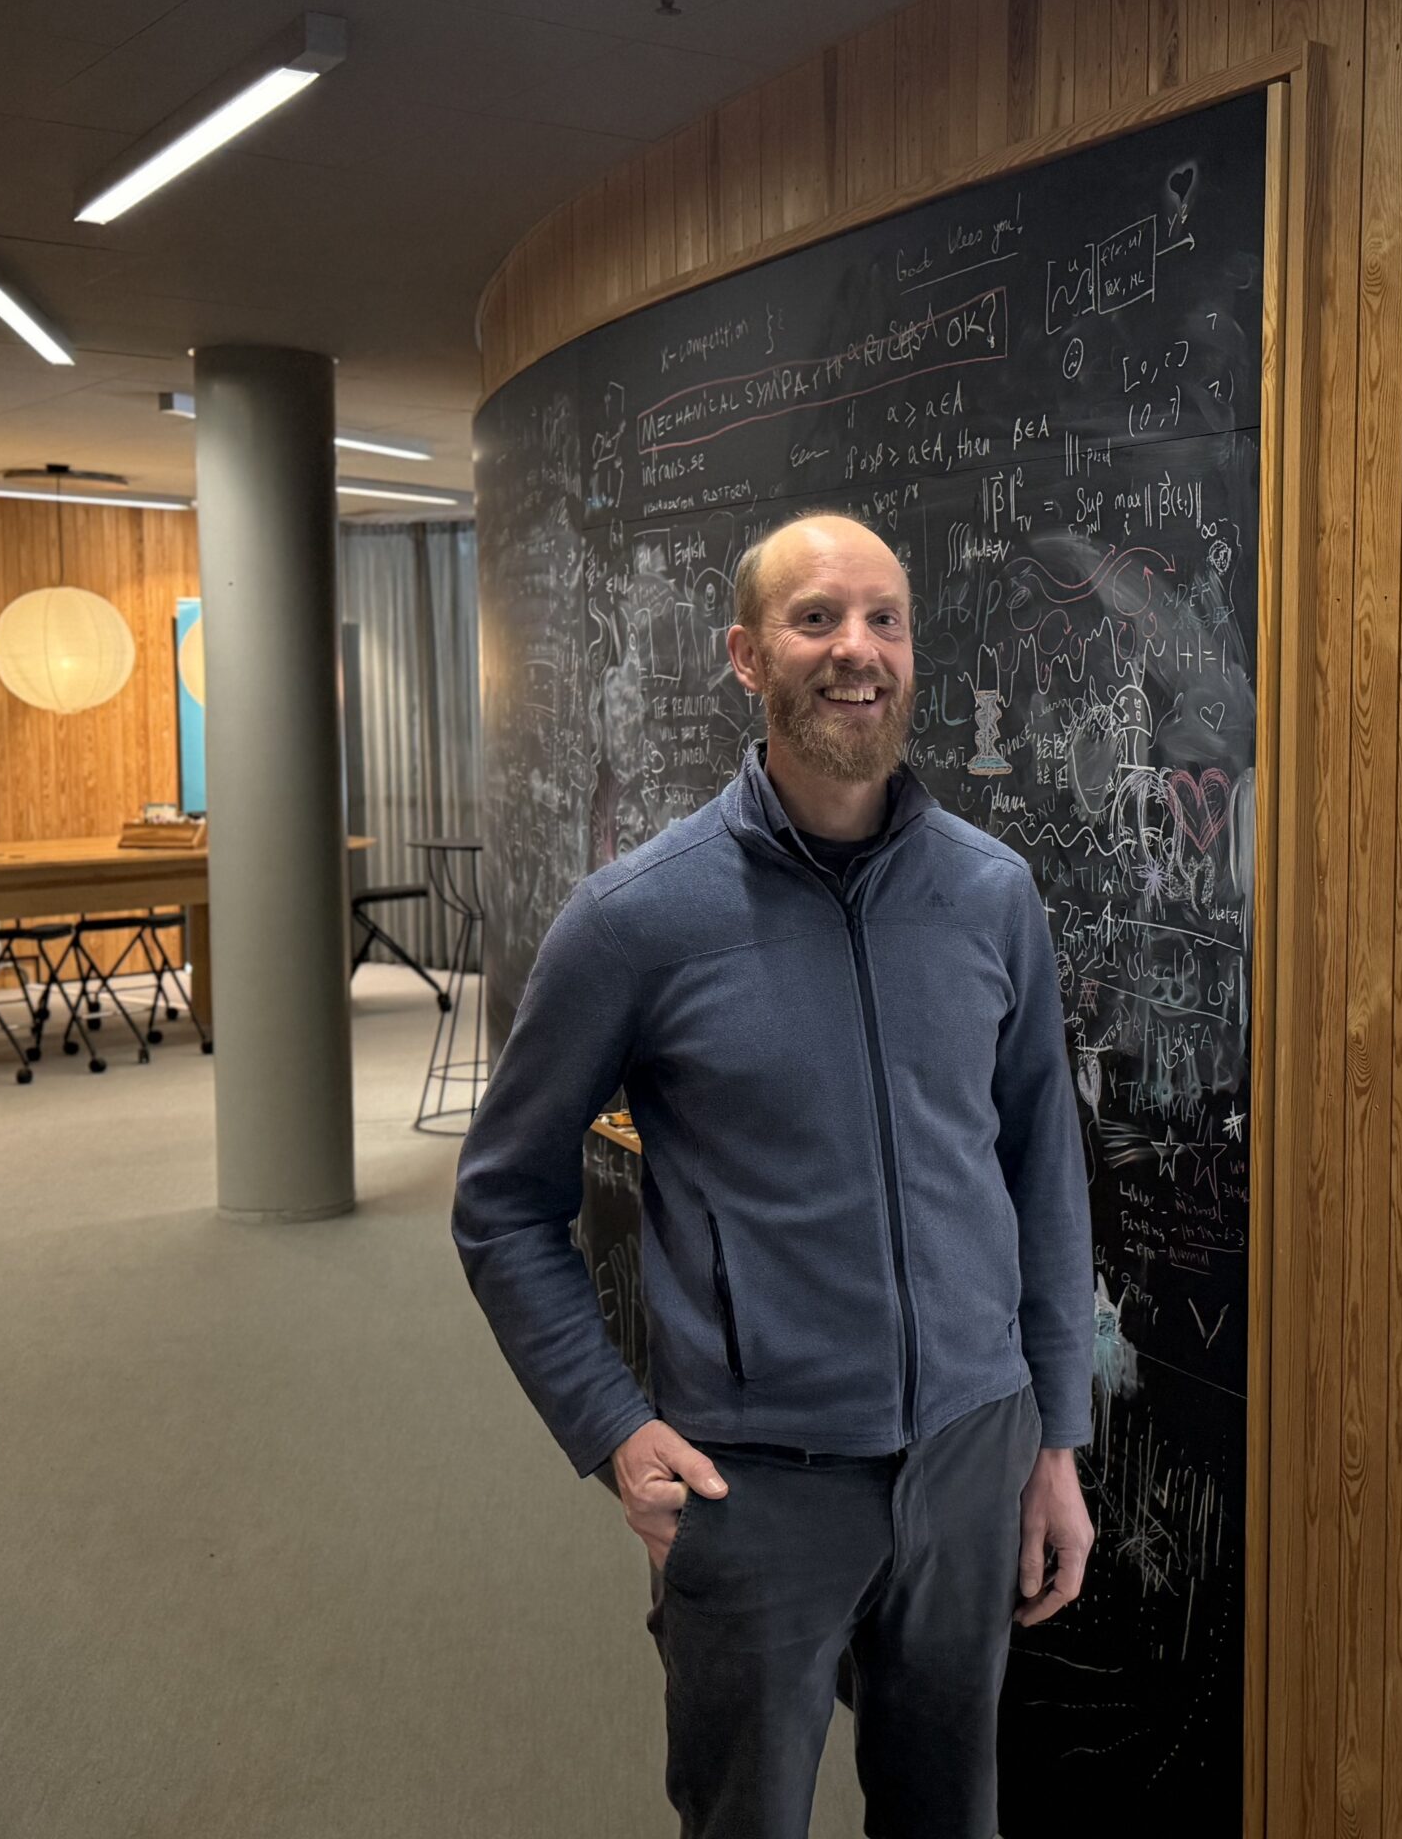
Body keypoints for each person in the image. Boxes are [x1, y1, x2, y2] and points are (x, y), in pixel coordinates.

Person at [453, 511, 1097, 1839]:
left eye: (884, 619)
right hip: (754, 1485)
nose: (855, 650)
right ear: (746, 657)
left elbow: (1042, 1170)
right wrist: (613, 1433)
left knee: (948, 1815)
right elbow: (503, 1199)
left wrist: (1054, 1442)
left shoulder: (992, 897)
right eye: (815, 619)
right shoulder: (639, 918)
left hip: (972, 1458)